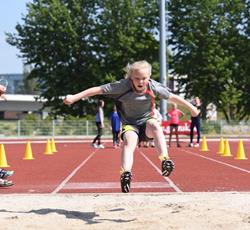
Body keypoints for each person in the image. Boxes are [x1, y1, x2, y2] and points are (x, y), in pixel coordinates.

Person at [64, 60, 199, 193]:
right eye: (137, 78)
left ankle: (165, 160)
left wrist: (192, 108)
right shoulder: (122, 86)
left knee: (155, 125)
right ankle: (126, 174)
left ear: (149, 77)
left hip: (147, 123)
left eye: (144, 78)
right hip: (130, 124)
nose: (140, 82)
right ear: (130, 78)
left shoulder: (154, 87)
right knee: (129, 141)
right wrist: (75, 97)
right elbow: (97, 90)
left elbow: (173, 97)